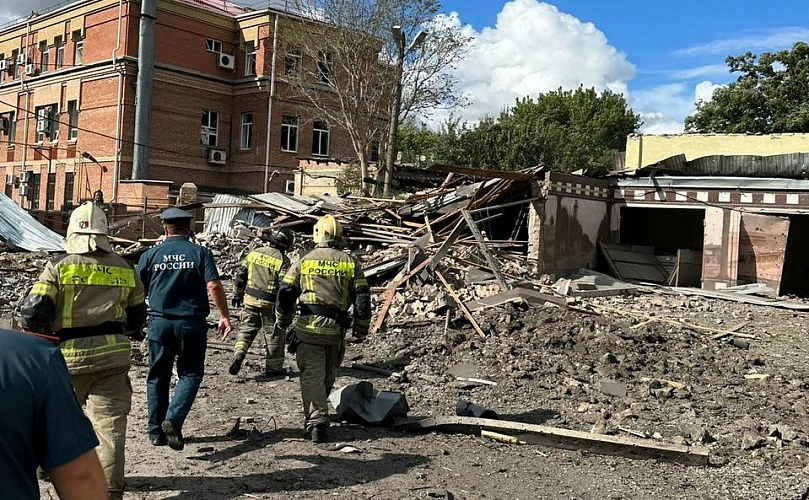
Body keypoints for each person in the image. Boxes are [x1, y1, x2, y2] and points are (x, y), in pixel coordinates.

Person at [20, 201, 147, 500]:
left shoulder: (58, 267)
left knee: (54, 418)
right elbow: (137, 316)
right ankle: (111, 491)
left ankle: (45, 468)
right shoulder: (126, 267)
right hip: (113, 357)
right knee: (110, 428)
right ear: (105, 232)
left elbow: (33, 313)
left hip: (67, 358)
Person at [137, 207, 232, 451]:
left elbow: (137, 291)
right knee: (190, 374)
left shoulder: (151, 255)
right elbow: (213, 285)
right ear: (189, 228)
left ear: (165, 228)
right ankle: (174, 419)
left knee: (158, 375)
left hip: (159, 323)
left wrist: (136, 323)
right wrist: (224, 315)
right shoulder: (200, 253)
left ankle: (156, 432)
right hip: (191, 324)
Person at [275, 215, 371, 443]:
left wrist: (283, 319)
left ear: (318, 234)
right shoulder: (350, 262)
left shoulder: (305, 260)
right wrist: (361, 327)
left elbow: (286, 292)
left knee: (312, 376)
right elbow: (362, 297)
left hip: (308, 329)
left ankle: (317, 422)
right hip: (335, 332)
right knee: (327, 376)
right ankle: (318, 415)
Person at [0, 328, 108, 500]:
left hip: (74, 352)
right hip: (107, 352)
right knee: (109, 420)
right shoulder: (30, 355)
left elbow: (36, 311)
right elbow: (81, 479)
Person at [228, 226, 295, 377]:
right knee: (274, 335)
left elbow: (240, 275)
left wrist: (237, 294)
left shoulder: (254, 253)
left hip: (250, 300)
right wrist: (286, 308)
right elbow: (284, 286)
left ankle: (239, 354)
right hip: (269, 305)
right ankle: (273, 368)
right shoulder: (282, 260)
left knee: (246, 330)